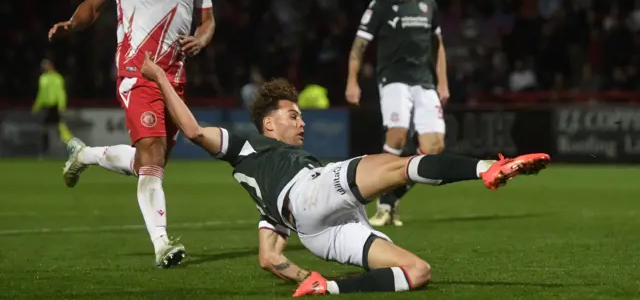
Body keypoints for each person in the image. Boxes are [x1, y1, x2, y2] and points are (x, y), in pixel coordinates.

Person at [139, 51, 550, 295]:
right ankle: (488, 168)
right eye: (293, 115)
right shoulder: (249, 145)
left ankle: (329, 288)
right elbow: (192, 130)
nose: (301, 123)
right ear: (268, 124)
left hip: (316, 232)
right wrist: (158, 76)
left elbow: (269, 258)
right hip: (311, 197)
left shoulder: (264, 189)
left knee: (417, 272)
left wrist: (304, 275)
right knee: (398, 166)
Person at [48, 0, 215, 268]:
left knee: (147, 164)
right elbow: (92, 7)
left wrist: (202, 37)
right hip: (136, 73)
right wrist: (72, 24)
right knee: (152, 149)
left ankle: (84, 154)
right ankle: (162, 245)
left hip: (174, 79)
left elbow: (208, 20)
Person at [345, 0, 449, 227]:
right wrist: (352, 81)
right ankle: (375, 195)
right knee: (398, 136)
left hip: (424, 82)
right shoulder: (381, 5)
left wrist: (443, 81)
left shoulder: (428, 4)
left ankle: (391, 197)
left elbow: (438, 46)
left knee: (434, 148)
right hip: (393, 80)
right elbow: (359, 46)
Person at [32, 58, 73, 156]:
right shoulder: (43, 78)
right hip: (45, 107)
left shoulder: (57, 78)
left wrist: (61, 106)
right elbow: (41, 94)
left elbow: (61, 93)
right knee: (47, 128)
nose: (45, 67)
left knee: (59, 127)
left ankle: (71, 146)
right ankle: (45, 150)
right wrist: (36, 106)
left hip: (54, 106)